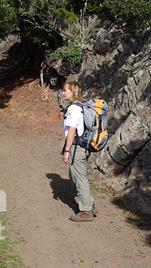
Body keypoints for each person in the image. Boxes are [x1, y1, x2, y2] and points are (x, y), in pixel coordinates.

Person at [61, 81, 96, 222]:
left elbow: (72, 130)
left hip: (76, 147)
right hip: (82, 146)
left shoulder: (73, 109)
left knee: (79, 178)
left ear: (72, 91)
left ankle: (86, 211)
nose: (63, 93)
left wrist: (67, 150)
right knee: (75, 177)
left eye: (65, 90)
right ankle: (89, 203)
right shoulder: (81, 106)